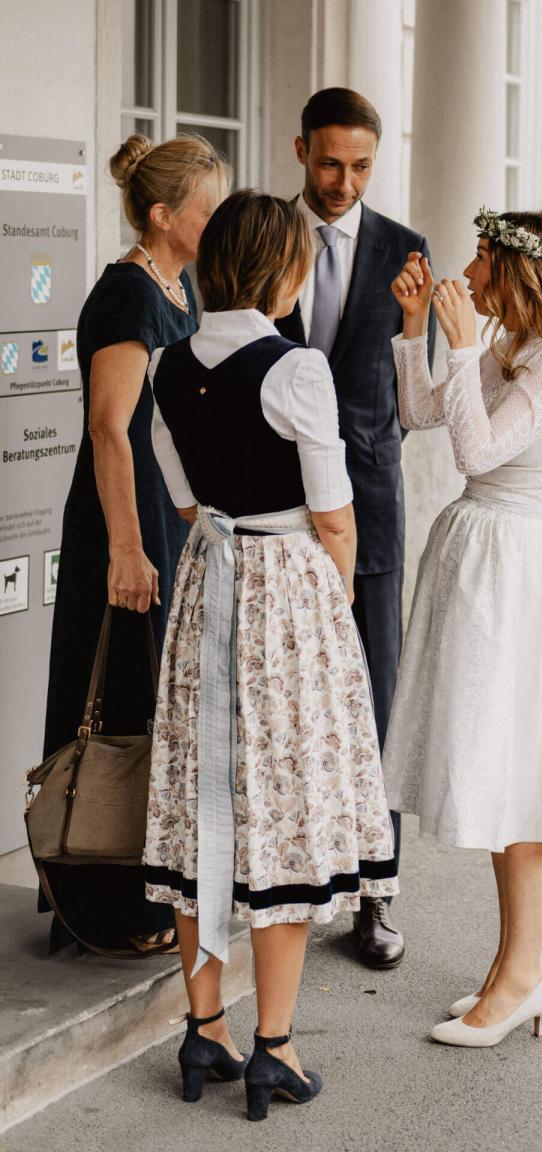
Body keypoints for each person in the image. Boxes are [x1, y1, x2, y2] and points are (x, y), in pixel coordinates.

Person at [143, 190, 398, 1118]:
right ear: (281, 269)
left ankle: (202, 1029)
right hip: (287, 588)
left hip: (211, 577)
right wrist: (329, 615)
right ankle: (273, 1047)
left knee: (202, 808)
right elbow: (335, 513)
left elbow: (179, 498)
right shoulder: (297, 369)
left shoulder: (169, 364)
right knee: (283, 813)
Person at [383, 208, 542, 1046]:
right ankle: (520, 966)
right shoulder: (511, 351)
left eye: (482, 260)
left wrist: (461, 346)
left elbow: (477, 455)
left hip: (515, 574)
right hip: (478, 566)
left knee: (526, 777)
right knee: (494, 771)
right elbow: (419, 414)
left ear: (519, 270)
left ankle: (521, 977)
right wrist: (418, 331)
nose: (469, 274)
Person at [39, 132, 229, 956]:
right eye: (206, 209)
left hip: (160, 517)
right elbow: (109, 429)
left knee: (151, 703)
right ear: (162, 216)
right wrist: (127, 548)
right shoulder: (128, 296)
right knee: (116, 699)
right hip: (122, 525)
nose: (216, 223)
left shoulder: (177, 287)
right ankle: (104, 904)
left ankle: (145, 895)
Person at [276, 87, 435, 969]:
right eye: (331, 162)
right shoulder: (260, 234)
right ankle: (289, 881)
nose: (344, 182)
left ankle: (376, 896)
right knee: (283, 700)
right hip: (274, 507)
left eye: (361, 166)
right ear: (301, 149)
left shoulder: (404, 248)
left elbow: (410, 396)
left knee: (375, 700)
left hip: (369, 507)